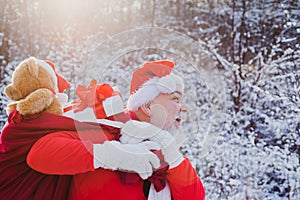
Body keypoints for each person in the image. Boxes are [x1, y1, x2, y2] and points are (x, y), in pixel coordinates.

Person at [119, 60, 206, 199]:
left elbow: (194, 197)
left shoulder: (166, 151)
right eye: (176, 99)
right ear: (148, 107)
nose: (184, 108)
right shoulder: (109, 140)